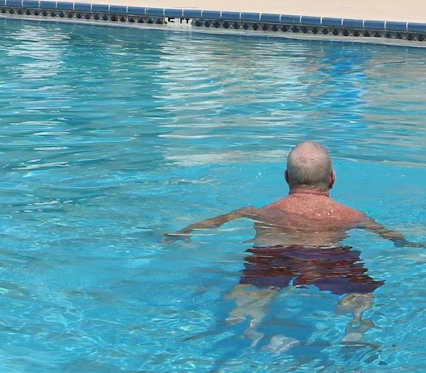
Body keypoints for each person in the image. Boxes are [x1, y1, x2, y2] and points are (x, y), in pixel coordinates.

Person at [167, 141, 411, 337]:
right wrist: (408, 244)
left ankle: (246, 323)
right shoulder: (350, 215)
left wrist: (181, 233)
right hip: (328, 258)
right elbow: (392, 236)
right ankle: (356, 325)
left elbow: (213, 223)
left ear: (286, 176)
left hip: (273, 255)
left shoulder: (260, 212)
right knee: (361, 292)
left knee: (253, 293)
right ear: (332, 178)